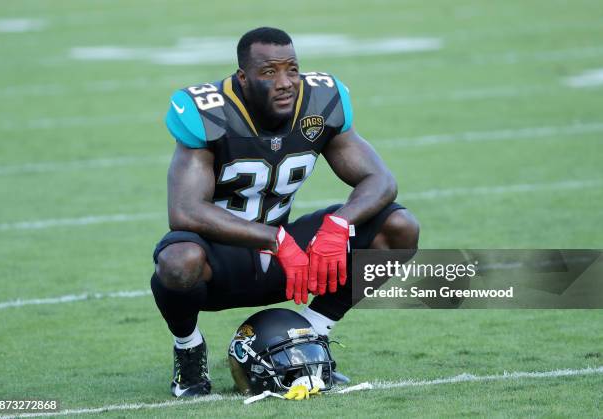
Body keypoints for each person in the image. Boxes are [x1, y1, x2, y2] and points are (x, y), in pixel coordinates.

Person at [150, 27, 420, 398]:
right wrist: (275, 239)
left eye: (292, 69)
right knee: (179, 260)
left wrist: (338, 225)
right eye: (269, 72)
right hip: (223, 257)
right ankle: (189, 350)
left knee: (399, 227)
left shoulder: (320, 103)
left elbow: (380, 179)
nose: (285, 83)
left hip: (287, 254)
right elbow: (184, 211)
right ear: (243, 78)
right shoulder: (209, 112)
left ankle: (314, 332)